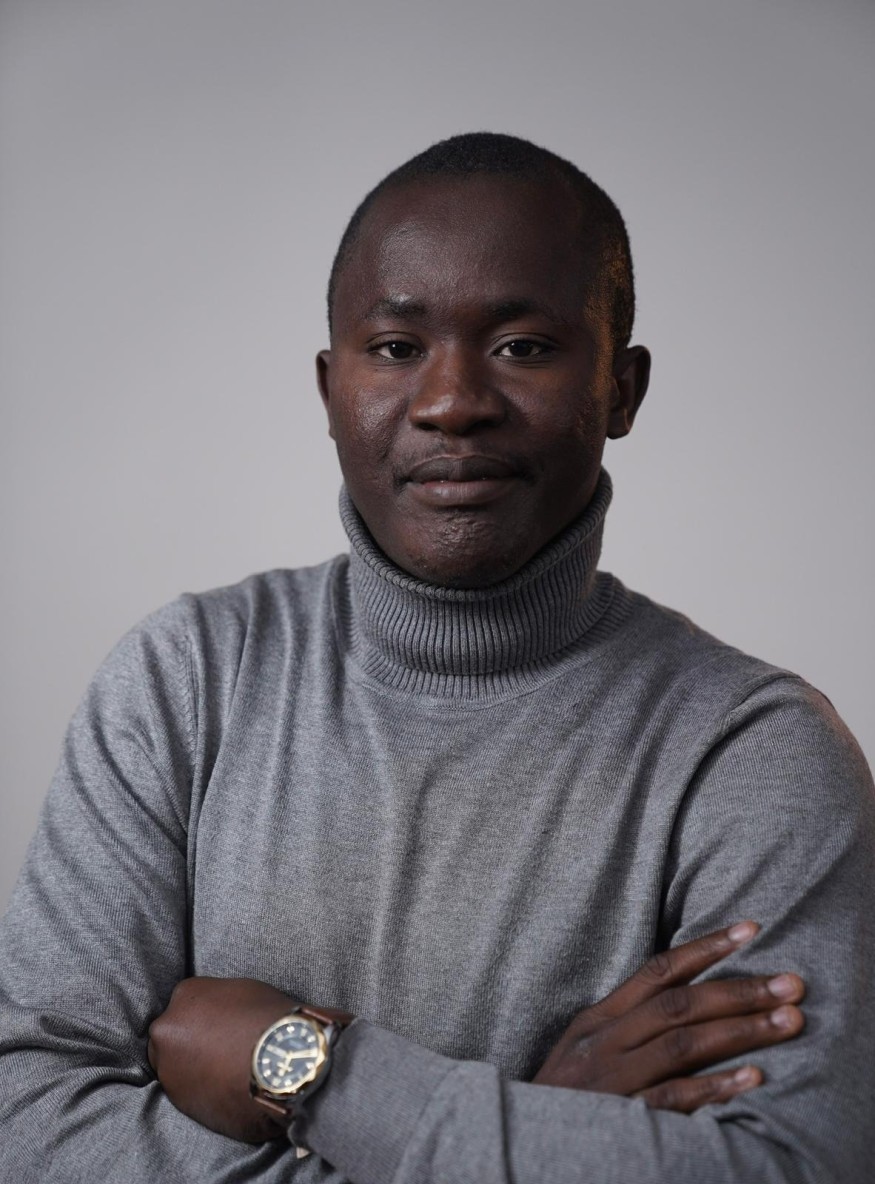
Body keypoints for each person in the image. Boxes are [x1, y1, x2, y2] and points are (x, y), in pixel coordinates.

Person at [1, 132, 873, 1183]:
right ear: (330, 387)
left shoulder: (751, 751)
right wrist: (536, 1130)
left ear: (621, 388)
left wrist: (320, 1073)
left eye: (523, 346)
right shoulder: (182, 684)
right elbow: (30, 1119)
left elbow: (795, 1168)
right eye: (395, 346)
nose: (453, 400)